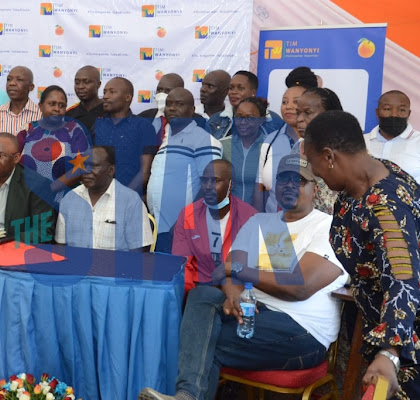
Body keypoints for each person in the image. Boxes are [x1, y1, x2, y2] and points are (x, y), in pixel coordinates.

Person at [139, 153, 347, 400]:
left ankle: (186, 395)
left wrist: (237, 271)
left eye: (299, 181)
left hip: (302, 330)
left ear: (315, 190)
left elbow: (297, 287)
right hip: (255, 313)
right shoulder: (262, 222)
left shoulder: (331, 228)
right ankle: (186, 396)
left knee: (201, 341)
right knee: (202, 294)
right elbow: (224, 271)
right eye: (283, 180)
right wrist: (233, 292)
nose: (290, 186)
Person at [304, 111, 420, 399]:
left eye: (313, 163)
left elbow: (403, 279)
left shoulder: (385, 207)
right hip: (401, 334)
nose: (316, 173)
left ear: (329, 156)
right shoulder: (371, 175)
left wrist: (390, 351)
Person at [147, 88, 222, 252]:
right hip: (159, 228)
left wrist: (185, 221)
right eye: (169, 104)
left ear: (192, 110)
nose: (172, 108)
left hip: (183, 229)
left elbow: (211, 187)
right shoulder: (166, 139)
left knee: (182, 276)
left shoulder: (204, 140)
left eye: (179, 104)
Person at [172, 159, 257, 291]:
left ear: (231, 185)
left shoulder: (249, 217)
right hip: (199, 286)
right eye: (204, 181)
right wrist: (187, 296)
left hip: (236, 286)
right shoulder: (188, 215)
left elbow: (253, 266)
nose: (208, 186)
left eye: (215, 181)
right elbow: (183, 263)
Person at [364, 90, 420, 209]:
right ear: (377, 112)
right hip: (364, 222)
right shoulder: (360, 142)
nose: (394, 114)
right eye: (387, 109)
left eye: (401, 110)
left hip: (411, 225)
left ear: (409, 113)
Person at [56, 145, 153, 250]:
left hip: (117, 265)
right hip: (75, 265)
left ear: (111, 170)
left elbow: (138, 253)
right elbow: (60, 247)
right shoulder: (70, 199)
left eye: (94, 166)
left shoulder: (130, 201)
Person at [19, 85, 91, 209]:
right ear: (40, 106)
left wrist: (50, 188)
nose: (57, 109)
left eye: (61, 105)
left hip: (63, 200)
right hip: (27, 198)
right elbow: (13, 159)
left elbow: (83, 166)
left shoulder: (74, 130)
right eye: (52, 104)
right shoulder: (28, 129)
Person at [93, 77, 159, 197]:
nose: (106, 96)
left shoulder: (143, 126)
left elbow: (144, 172)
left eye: (112, 92)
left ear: (128, 97)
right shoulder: (97, 125)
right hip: (99, 197)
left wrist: (123, 196)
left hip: (130, 198)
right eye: (104, 92)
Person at [293, 87, 343, 214]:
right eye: (298, 113)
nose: (299, 119)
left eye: (308, 113)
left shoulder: (348, 152)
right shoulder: (297, 148)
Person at [0, 66, 42, 163]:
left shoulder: (41, 116)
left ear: (31, 87)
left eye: (19, 80)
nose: (12, 83)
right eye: (9, 79)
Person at [256, 85, 306, 212]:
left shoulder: (318, 143)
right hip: (273, 223)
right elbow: (261, 187)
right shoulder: (270, 140)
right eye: (284, 102)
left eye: (296, 102)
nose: (288, 106)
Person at [219, 97, 268, 208]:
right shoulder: (222, 145)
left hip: (258, 214)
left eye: (249, 118)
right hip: (227, 215)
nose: (243, 122)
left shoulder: (269, 147)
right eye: (239, 117)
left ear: (261, 120)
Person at [208, 70, 283, 139]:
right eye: (231, 88)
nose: (233, 92)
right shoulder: (216, 119)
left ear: (253, 92)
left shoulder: (273, 120)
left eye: (240, 88)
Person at [65, 65, 103, 131]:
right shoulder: (69, 115)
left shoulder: (110, 112)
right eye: (77, 83)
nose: (80, 87)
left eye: (86, 82)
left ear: (98, 84)